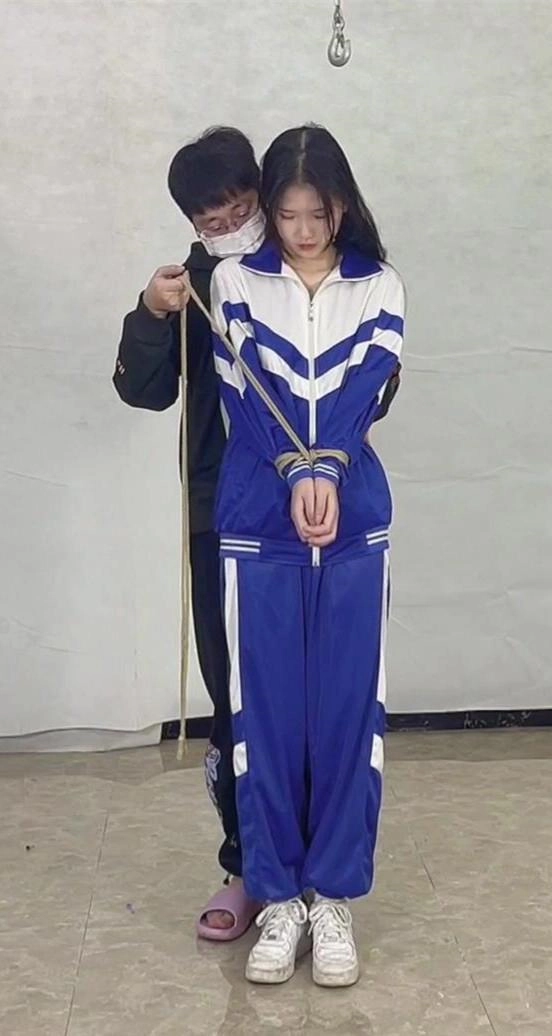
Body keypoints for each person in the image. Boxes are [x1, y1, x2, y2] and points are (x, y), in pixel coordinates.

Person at [113, 125, 401, 945]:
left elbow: (371, 387)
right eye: (210, 221)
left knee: (328, 697)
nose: (230, 228)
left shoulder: (337, 281)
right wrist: (150, 313)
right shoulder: (201, 286)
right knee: (238, 698)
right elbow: (143, 391)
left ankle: (322, 882)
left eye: (241, 210)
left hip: (325, 504)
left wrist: (325, 460)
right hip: (227, 508)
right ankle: (251, 869)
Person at [209, 124, 405, 987]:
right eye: (286, 215)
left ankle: (333, 901)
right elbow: (245, 397)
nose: (300, 231)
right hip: (259, 522)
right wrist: (295, 472)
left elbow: (364, 392)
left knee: (347, 716)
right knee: (267, 721)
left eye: (316, 214)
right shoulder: (234, 283)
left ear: (342, 206)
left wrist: (326, 471)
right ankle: (279, 896)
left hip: (354, 523)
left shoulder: (380, 287)